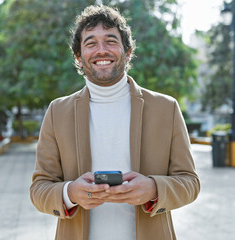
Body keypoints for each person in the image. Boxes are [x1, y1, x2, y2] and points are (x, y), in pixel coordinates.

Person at [30, 5, 200, 240]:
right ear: (78, 57)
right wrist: (70, 193)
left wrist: (153, 189)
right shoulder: (57, 112)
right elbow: (39, 189)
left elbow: (190, 183)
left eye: (110, 41)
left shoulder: (166, 108)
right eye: (90, 43)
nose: (101, 50)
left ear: (127, 52)